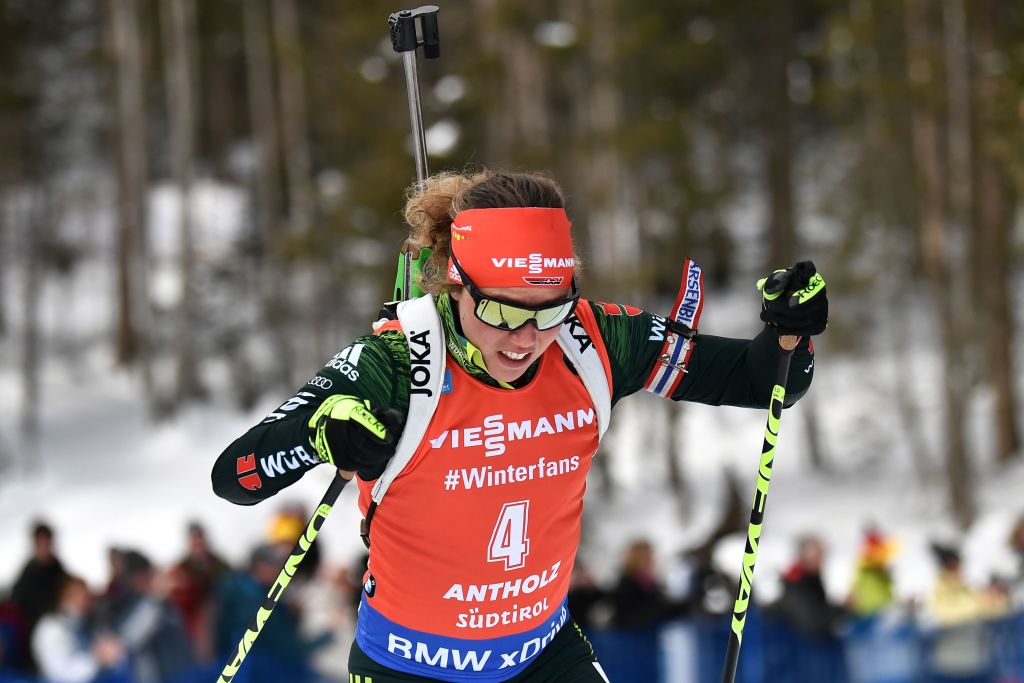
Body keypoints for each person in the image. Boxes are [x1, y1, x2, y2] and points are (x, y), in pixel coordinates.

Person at [212, 170, 828, 682]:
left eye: (550, 309)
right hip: (411, 666)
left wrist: (789, 334)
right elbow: (235, 475)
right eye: (501, 311)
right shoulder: (397, 363)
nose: (527, 338)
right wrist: (324, 431)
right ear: (458, 281)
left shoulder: (593, 340)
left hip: (541, 659)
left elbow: (760, 383)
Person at [31, 576, 126, 683]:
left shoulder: (86, 622)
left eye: (87, 595)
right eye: (79, 595)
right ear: (64, 597)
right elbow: (60, 673)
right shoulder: (51, 628)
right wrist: (97, 658)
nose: (86, 600)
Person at [10, 521, 68, 673]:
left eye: (47, 542)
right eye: (41, 542)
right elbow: (15, 603)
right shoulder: (27, 572)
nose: (45, 546)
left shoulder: (58, 569)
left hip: (61, 631)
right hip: (34, 637)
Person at [767, 534, 844, 640]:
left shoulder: (812, 579)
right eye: (817, 555)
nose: (821, 560)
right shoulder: (796, 581)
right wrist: (842, 609)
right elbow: (811, 622)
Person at [608, 540, 688, 630]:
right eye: (648, 557)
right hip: (632, 638)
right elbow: (632, 617)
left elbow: (660, 604)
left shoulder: (650, 583)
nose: (653, 562)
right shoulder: (626, 585)